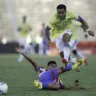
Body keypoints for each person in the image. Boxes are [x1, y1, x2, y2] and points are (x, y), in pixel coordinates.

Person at [15, 47, 86, 90]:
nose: (54, 67)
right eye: (52, 65)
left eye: (55, 66)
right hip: (44, 77)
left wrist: (77, 87)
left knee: (57, 87)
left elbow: (66, 87)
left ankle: (39, 84)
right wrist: (23, 53)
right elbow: (32, 61)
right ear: (48, 66)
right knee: (61, 69)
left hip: (46, 83)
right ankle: (72, 66)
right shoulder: (41, 69)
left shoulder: (58, 79)